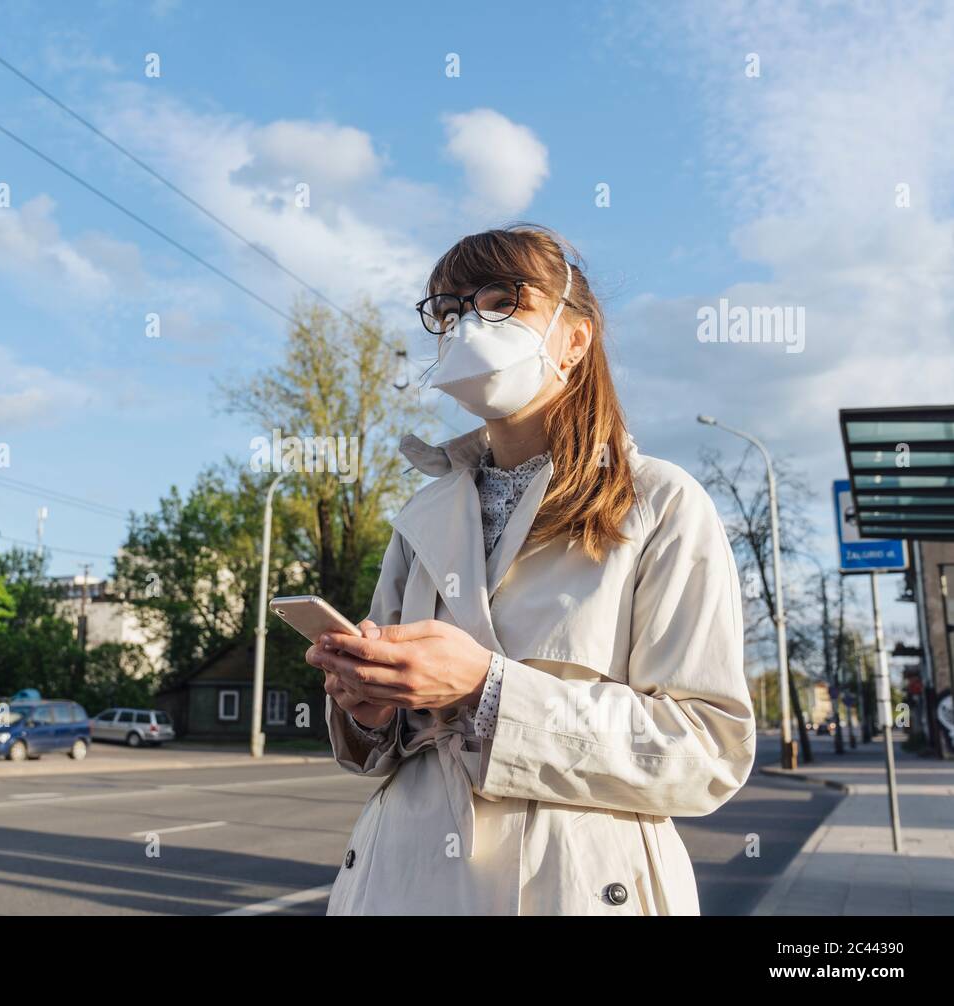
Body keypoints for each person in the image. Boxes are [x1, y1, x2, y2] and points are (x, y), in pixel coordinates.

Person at [306, 224, 756, 915]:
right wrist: (371, 710)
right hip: (399, 883)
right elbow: (391, 747)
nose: (465, 325)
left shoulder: (661, 504)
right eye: (449, 312)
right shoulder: (421, 513)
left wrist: (489, 691)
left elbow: (706, 752)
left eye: (500, 300)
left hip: (570, 888)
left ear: (576, 339)